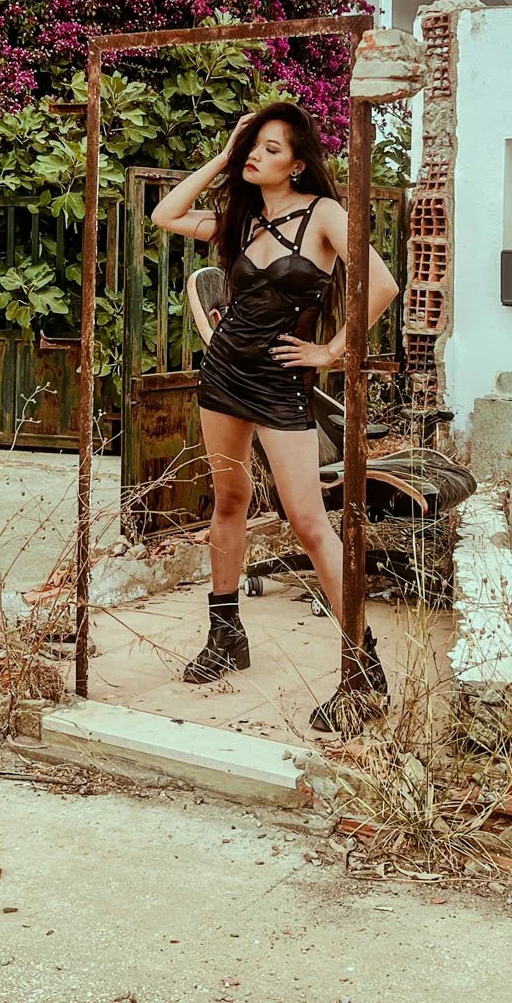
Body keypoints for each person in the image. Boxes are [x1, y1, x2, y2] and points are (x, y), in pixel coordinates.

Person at [150, 102, 401, 733]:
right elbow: (165, 214)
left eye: (269, 147)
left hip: (280, 385)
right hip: (223, 377)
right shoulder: (240, 220)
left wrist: (332, 349)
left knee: (309, 522)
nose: (257, 156)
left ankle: (360, 669)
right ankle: (226, 634)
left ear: (297, 162)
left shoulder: (325, 216)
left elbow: (383, 284)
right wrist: (225, 153)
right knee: (229, 501)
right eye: (253, 147)